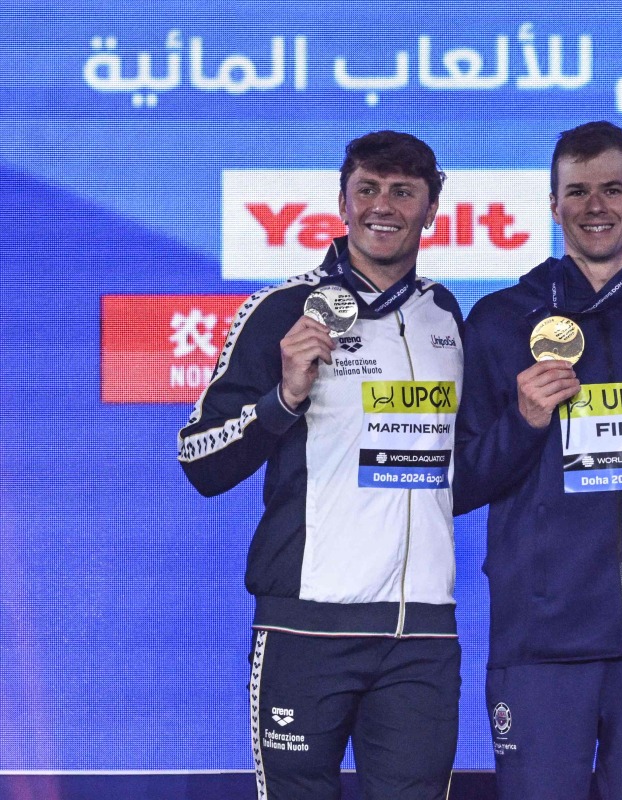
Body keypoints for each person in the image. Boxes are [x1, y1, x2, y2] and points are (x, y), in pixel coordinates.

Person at [178, 131, 463, 800]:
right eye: (366, 189)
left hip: (421, 632)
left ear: (431, 209)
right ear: (342, 201)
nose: (381, 206)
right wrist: (282, 399)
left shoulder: (444, 315)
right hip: (306, 629)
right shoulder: (280, 310)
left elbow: (455, 466)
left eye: (402, 191)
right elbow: (199, 459)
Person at [454, 120, 622, 800]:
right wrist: (523, 422)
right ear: (552, 205)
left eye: (612, 189)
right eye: (577, 191)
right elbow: (456, 481)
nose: (595, 206)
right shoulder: (499, 319)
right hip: (539, 644)